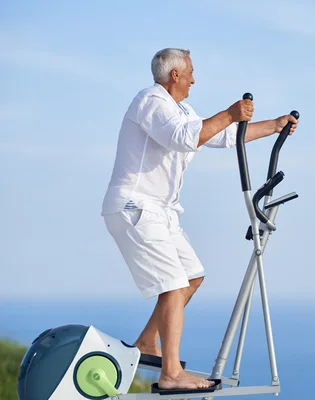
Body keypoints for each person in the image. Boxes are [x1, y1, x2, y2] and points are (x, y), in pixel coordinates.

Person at [101, 48, 298, 391]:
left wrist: (273, 126)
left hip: (160, 212)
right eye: (190, 72)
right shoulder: (150, 101)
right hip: (136, 207)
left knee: (191, 276)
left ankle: (148, 343)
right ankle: (171, 375)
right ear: (175, 75)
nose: (195, 78)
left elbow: (219, 135)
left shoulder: (182, 110)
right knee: (173, 284)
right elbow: (182, 138)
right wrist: (230, 112)